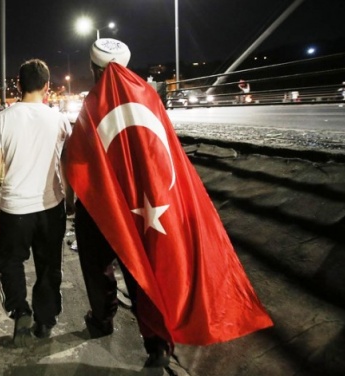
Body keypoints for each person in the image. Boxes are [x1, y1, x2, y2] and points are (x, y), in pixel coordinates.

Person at [65, 39, 272, 371]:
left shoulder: (93, 102)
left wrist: (72, 200)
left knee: (95, 261)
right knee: (145, 266)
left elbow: (77, 156)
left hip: (105, 204)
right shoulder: (148, 95)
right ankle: (157, 344)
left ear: (94, 69)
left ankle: (102, 318)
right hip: (150, 204)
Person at [0, 59, 73, 347]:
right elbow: (67, 164)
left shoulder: (3, 119)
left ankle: (20, 310)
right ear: (47, 87)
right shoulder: (59, 119)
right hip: (50, 206)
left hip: (14, 208)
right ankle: (45, 320)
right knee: (48, 265)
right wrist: (69, 200)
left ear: (18, 84)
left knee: (9, 262)